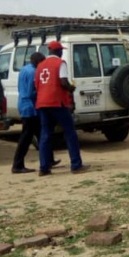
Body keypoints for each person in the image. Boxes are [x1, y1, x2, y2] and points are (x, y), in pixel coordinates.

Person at [35, 41, 89, 175]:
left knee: (45, 135)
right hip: (57, 102)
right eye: (61, 51)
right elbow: (63, 82)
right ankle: (76, 165)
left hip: (42, 103)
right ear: (58, 51)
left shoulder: (40, 65)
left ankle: (44, 167)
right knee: (70, 132)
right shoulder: (60, 63)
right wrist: (71, 88)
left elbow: (36, 84)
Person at [12, 52, 45, 174]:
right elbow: (32, 91)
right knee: (26, 137)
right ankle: (17, 164)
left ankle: (48, 159)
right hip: (30, 107)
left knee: (40, 134)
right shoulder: (34, 72)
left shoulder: (24, 69)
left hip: (23, 103)